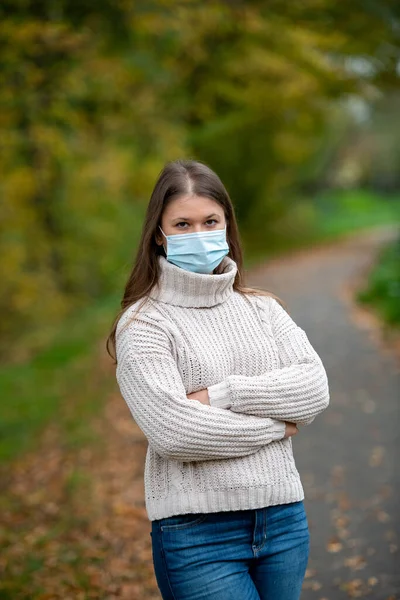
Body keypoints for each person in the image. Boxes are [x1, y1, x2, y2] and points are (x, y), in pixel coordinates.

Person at [106, 158, 330, 600]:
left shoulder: (262, 309)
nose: (199, 234)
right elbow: (176, 432)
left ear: (227, 227)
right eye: (183, 224)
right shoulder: (145, 325)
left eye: (210, 221)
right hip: (198, 535)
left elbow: (313, 389)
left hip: (283, 519)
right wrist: (276, 427)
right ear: (159, 234)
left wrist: (221, 395)